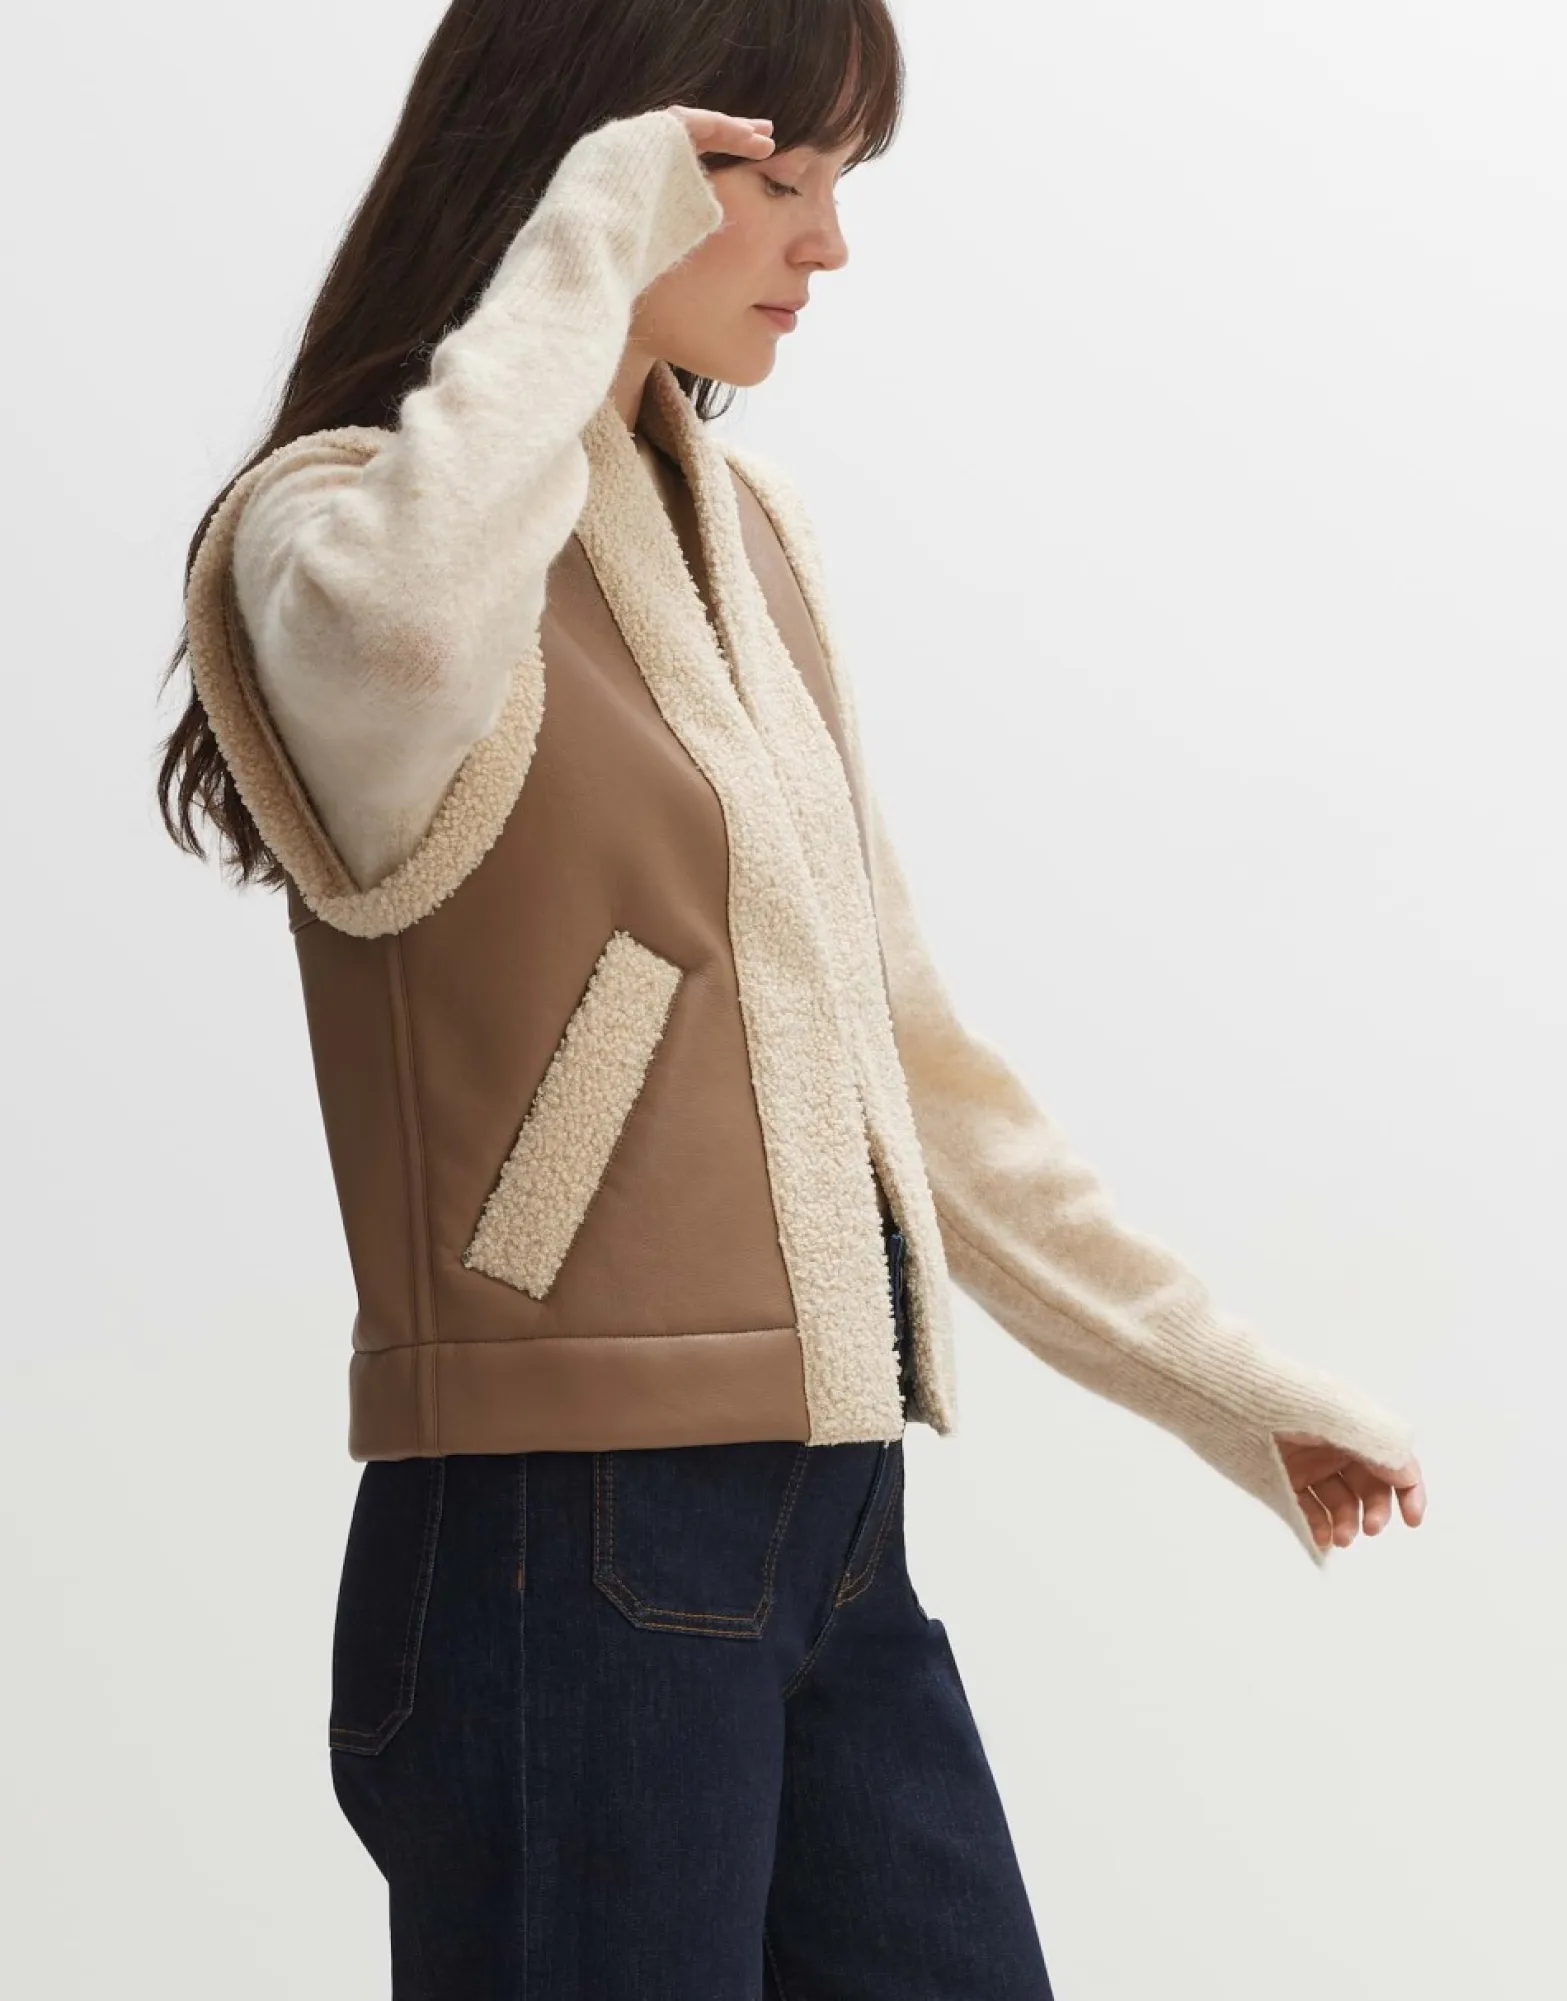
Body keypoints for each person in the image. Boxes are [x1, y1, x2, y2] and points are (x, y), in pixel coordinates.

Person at [157, 1, 1427, 1993]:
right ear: (602, 160)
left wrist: (1222, 1382)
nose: (826, 244)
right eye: (776, 180)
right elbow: (400, 644)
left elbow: (898, 1048)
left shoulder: (746, 535)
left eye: (844, 185)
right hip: (557, 1526)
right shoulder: (329, 532)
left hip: (832, 1520)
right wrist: (587, 237)